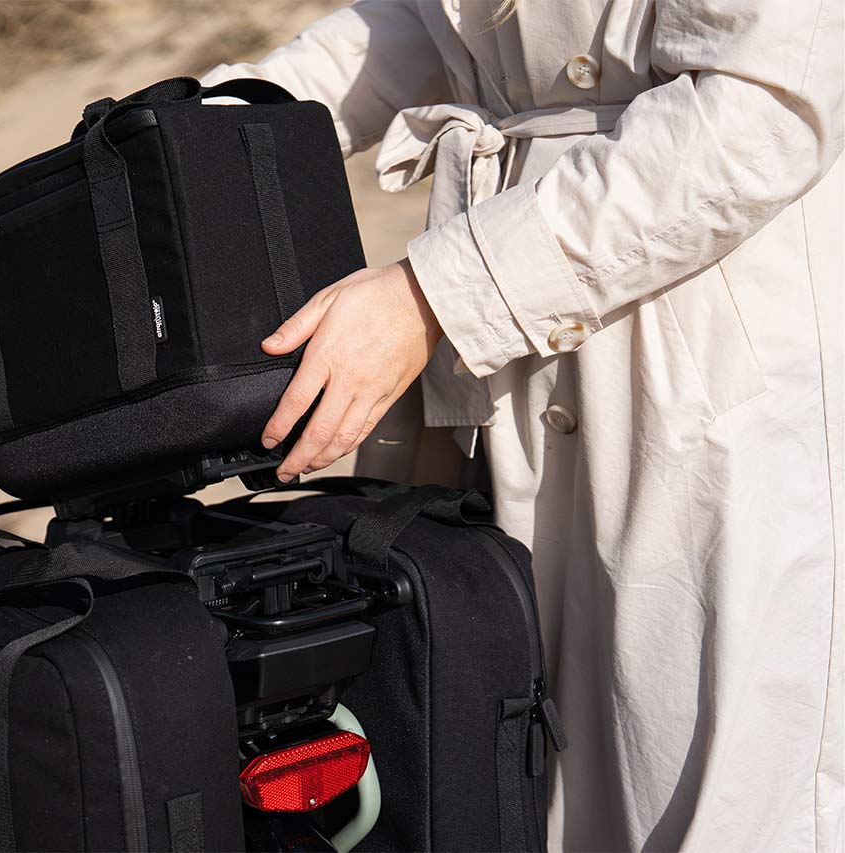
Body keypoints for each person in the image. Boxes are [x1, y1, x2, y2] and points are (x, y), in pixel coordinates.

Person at [202, 1, 843, 849]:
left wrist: (431, 296)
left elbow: (767, 104)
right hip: (501, 339)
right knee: (516, 760)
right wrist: (190, 131)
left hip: (690, 346)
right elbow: (414, 26)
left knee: (708, 785)